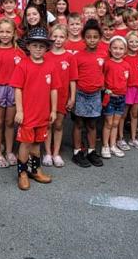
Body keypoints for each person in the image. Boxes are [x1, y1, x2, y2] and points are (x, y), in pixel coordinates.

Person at [11, 27, 60, 190]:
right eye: (35, 46)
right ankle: (22, 173)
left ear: (46, 48)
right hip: (27, 114)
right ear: (28, 47)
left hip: (43, 113)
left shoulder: (51, 65)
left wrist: (53, 110)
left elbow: (54, 89)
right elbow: (17, 88)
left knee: (37, 142)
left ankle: (35, 169)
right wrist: (19, 111)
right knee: (25, 143)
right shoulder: (23, 65)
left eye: (41, 46)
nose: (38, 49)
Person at [0, 19, 24, 168]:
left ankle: (8, 151)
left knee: (10, 122)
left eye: (8, 32)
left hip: (14, 89)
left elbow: (24, 73)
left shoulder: (18, 52)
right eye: (2, 32)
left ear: (14, 33)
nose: (5, 35)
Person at [71, 19, 105, 168]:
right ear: (84, 38)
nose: (92, 40)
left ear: (99, 38)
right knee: (78, 123)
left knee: (92, 124)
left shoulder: (103, 54)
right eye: (89, 37)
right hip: (80, 93)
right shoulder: (77, 56)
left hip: (96, 94)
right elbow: (73, 78)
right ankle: (77, 152)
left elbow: (105, 72)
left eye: (95, 37)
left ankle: (91, 151)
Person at [43, 24, 78, 167]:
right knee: (47, 125)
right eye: (55, 36)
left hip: (63, 96)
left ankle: (56, 153)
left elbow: (73, 79)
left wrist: (72, 97)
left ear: (66, 38)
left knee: (58, 124)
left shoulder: (70, 57)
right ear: (50, 38)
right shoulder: (45, 55)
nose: (58, 40)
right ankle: (47, 153)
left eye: (61, 37)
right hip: (46, 97)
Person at [101, 36, 130, 159]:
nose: (118, 51)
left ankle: (113, 145)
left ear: (125, 50)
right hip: (110, 97)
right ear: (110, 49)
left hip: (121, 97)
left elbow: (126, 81)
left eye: (121, 48)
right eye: (115, 48)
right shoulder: (107, 63)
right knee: (108, 122)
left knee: (116, 123)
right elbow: (101, 79)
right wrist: (106, 91)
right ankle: (105, 145)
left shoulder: (126, 65)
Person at [122, 31, 138, 150]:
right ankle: (119, 138)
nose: (134, 44)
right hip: (127, 88)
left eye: (137, 41)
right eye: (131, 41)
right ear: (126, 43)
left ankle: (133, 138)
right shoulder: (123, 57)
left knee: (135, 114)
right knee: (123, 114)